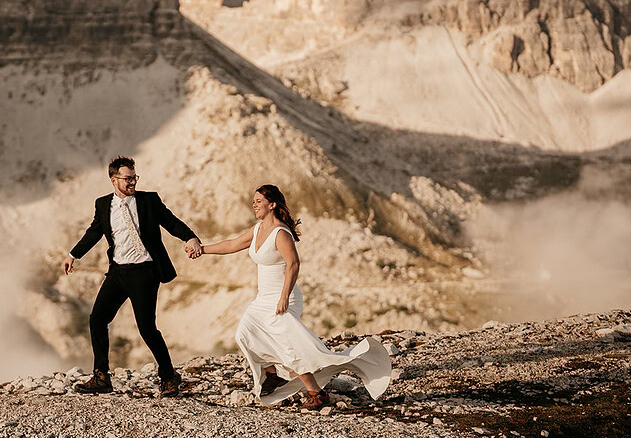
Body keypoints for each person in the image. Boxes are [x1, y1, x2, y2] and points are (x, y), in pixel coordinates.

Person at [192, 185, 391, 409]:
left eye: (259, 201)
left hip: (284, 298)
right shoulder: (258, 229)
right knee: (244, 335)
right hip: (263, 299)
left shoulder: (280, 233)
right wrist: (202, 249)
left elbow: (293, 264)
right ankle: (272, 374)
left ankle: (316, 393)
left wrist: (284, 297)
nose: (254, 204)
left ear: (272, 204)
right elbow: (231, 244)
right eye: (254, 201)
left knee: (288, 348)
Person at [63, 156, 202, 397]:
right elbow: (94, 232)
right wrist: (73, 255)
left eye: (134, 178)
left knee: (147, 328)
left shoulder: (149, 201)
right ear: (113, 180)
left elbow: (171, 222)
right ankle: (101, 377)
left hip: (145, 272)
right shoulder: (103, 204)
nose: (133, 182)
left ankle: (169, 376)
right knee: (97, 319)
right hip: (118, 272)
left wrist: (190, 237)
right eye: (127, 179)